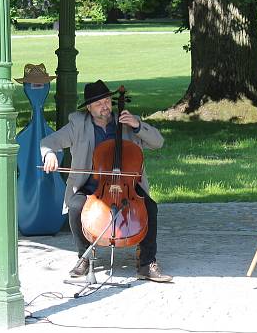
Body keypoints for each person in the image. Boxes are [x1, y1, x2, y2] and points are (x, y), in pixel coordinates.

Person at [40, 80, 172, 283]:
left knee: (150, 208)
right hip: (93, 184)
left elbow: (158, 142)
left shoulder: (127, 121)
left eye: (108, 101)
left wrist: (137, 126)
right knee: (75, 207)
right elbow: (50, 142)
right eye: (100, 103)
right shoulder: (78, 124)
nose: (106, 107)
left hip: (127, 185)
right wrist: (49, 154)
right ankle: (84, 257)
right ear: (89, 108)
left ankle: (146, 263)